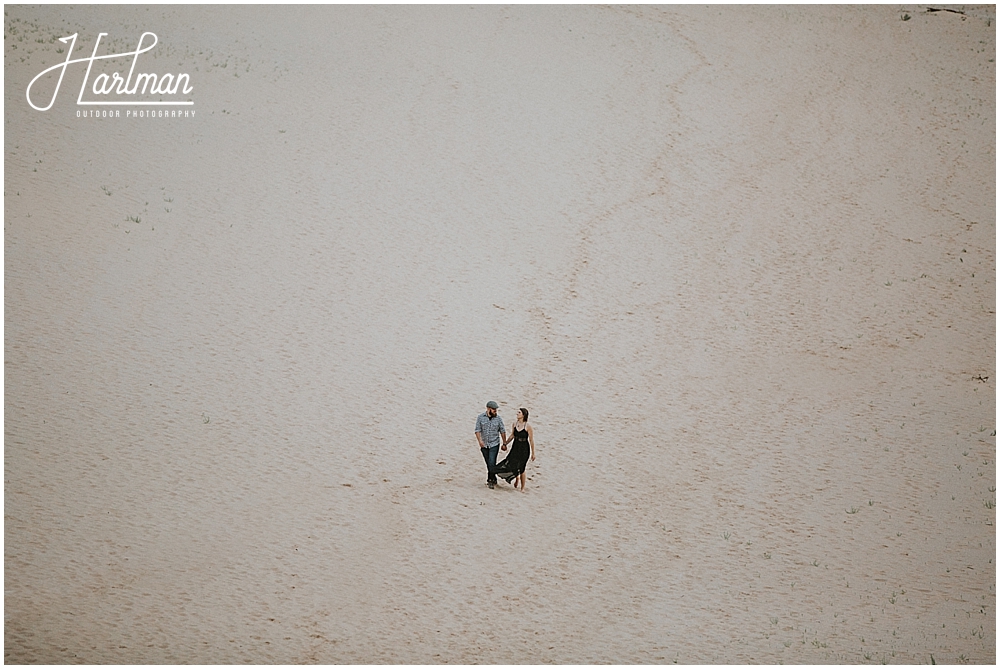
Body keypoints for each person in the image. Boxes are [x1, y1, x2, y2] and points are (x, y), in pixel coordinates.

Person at [495, 408, 535, 491]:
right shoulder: (514, 424)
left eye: (519, 412)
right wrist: (505, 443)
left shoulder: (528, 426)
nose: (517, 414)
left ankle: (522, 488)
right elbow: (512, 435)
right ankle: (517, 478)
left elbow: (531, 440)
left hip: (524, 448)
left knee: (522, 467)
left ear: (523, 415)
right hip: (515, 447)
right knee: (512, 463)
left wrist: (533, 453)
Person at [474, 401, 506, 489]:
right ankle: (494, 478)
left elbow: (502, 431)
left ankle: (490, 480)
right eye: (494, 409)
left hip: (494, 443)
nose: (495, 411)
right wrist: (480, 441)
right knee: (488, 463)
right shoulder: (480, 417)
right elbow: (477, 430)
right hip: (484, 444)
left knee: (492, 461)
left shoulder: (498, 419)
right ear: (488, 409)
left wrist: (504, 443)